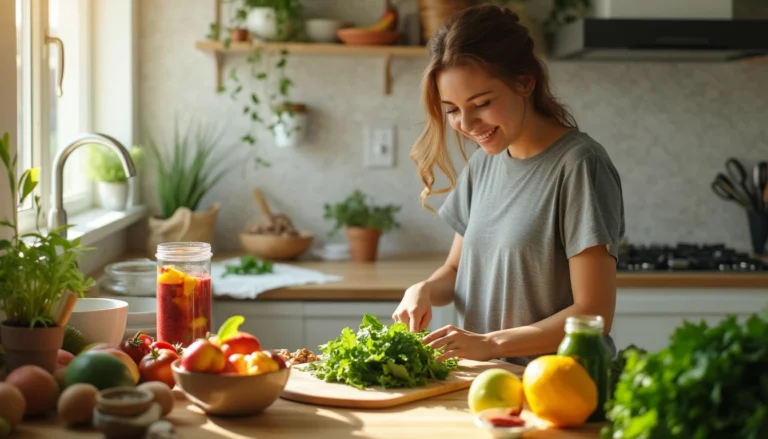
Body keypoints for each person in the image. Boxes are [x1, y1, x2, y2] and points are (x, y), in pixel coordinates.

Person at [392, 4, 625, 366]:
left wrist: (490, 344)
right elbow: (455, 270)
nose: (467, 123)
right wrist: (421, 290)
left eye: (481, 103)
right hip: (488, 384)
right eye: (452, 109)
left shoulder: (579, 165)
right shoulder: (483, 164)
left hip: (561, 390)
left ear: (525, 83)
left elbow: (594, 315)